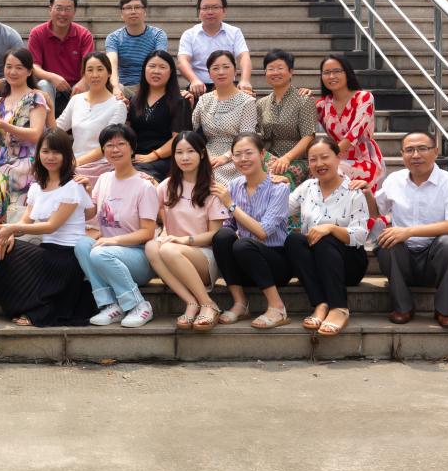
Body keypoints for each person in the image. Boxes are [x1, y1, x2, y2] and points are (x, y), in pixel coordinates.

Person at [0, 128, 97, 327]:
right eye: (46, 151)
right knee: (3, 249)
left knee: (11, 250)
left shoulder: (73, 186)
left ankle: (41, 310)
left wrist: (11, 228)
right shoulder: (36, 187)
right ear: (38, 153)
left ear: (66, 155)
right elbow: (26, 221)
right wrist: (11, 234)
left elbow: (51, 226)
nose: (50, 157)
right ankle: (33, 305)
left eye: (57, 152)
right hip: (47, 251)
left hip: (69, 255)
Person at [360, 132, 448, 328]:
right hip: (403, 260)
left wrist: (408, 231)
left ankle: (444, 310)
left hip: (435, 260)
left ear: (435, 152)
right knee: (387, 243)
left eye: (422, 149)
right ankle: (403, 307)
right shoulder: (395, 180)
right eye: (409, 150)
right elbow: (376, 212)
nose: (415, 155)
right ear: (402, 154)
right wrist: (367, 194)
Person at [74, 125, 159, 328]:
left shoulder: (144, 186)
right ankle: (110, 305)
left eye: (121, 144)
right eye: (109, 145)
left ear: (132, 148)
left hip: (139, 257)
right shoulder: (104, 179)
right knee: (82, 245)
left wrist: (112, 240)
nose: (115, 149)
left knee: (99, 253)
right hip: (108, 252)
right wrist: (86, 192)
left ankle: (139, 305)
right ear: (103, 150)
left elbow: (148, 232)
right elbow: (90, 214)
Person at [284, 135, 370, 337]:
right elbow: (281, 210)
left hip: (349, 264)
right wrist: (276, 186)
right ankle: (321, 304)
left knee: (325, 237)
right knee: (294, 240)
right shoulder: (307, 187)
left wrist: (331, 228)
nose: (319, 164)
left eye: (325, 157)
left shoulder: (353, 190)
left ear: (338, 158)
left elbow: (360, 235)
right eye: (313, 159)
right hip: (317, 264)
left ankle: (339, 308)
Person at [145, 131, 229, 331]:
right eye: (179, 152)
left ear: (202, 153)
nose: (184, 157)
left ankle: (208, 304)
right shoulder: (166, 186)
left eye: (190, 151)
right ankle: (191, 302)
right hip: (174, 252)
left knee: (168, 249)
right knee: (150, 247)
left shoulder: (213, 189)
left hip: (204, 256)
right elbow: (148, 211)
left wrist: (185, 240)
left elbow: (214, 234)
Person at [211, 133, 292, 329]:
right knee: (222, 236)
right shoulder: (234, 185)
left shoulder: (278, 187)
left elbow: (263, 232)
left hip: (275, 263)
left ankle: (277, 307)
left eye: (249, 153)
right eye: (237, 154)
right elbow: (229, 225)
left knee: (244, 244)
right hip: (246, 261)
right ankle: (240, 303)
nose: (243, 159)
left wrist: (230, 204)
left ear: (262, 154)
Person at [0, 48, 48, 227]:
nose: (13, 72)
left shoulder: (36, 98)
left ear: (29, 71)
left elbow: (36, 135)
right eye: (9, 66)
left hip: (28, 161)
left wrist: (5, 125)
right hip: (3, 160)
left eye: (19, 68)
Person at [56, 52, 127, 189]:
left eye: (100, 69)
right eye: (90, 70)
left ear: (109, 73)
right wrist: (48, 106)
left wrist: (74, 163)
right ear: (84, 74)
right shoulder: (76, 100)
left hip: (101, 164)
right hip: (74, 162)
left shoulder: (118, 105)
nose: (95, 75)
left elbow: (107, 146)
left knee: (67, 182)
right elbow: (57, 129)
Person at [316, 54, 385, 186]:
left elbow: (354, 134)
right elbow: (303, 124)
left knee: (333, 173)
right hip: (333, 159)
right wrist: (303, 97)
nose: (331, 76)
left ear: (347, 73)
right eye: (326, 72)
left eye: (337, 71)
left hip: (364, 159)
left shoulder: (364, 98)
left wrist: (328, 158)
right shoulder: (322, 105)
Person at [191, 50, 257, 185]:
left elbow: (247, 137)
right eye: (215, 68)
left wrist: (226, 157)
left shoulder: (247, 101)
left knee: (214, 175)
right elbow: (190, 127)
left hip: (238, 155)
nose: (221, 72)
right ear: (209, 74)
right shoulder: (204, 100)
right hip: (208, 153)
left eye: (226, 67)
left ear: (235, 71)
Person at [28, 0, 94, 116]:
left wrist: (83, 81)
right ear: (50, 9)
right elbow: (34, 66)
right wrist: (52, 77)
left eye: (68, 9)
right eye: (59, 8)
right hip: (51, 86)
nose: (63, 13)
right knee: (43, 84)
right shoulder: (37, 33)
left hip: (77, 87)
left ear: (74, 12)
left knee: (93, 83)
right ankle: (47, 126)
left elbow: (91, 66)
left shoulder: (84, 35)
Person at [129, 50, 192, 181]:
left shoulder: (180, 101)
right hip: (137, 156)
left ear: (171, 72)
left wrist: (153, 155)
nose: (156, 71)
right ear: (144, 69)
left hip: (165, 158)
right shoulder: (134, 100)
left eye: (162, 67)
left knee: (137, 177)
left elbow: (178, 139)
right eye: (152, 66)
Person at [257, 49, 316, 189]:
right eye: (270, 69)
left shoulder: (304, 100)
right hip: (268, 157)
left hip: (296, 159)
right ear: (265, 73)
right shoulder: (261, 103)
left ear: (291, 72)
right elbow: (257, 134)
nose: (275, 72)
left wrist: (287, 158)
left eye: (280, 68)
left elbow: (308, 136)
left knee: (279, 175)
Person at [177, 0, 252, 97]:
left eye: (215, 7)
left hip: (227, 85)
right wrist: (194, 80)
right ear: (199, 12)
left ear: (224, 10)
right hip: (199, 88)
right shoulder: (189, 34)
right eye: (205, 8)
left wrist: (245, 80)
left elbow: (244, 56)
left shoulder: (234, 32)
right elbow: (182, 61)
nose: (210, 12)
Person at [105, 0, 167, 100]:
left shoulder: (158, 35)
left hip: (150, 85)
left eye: (137, 7)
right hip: (124, 87)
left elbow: (160, 63)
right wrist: (115, 87)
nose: (133, 11)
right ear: (121, 13)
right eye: (128, 8)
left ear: (145, 11)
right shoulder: (113, 38)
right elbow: (112, 65)